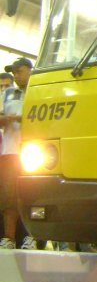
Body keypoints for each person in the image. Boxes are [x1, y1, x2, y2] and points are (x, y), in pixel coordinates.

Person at [0, 57, 36, 249]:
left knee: (31, 194)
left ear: (30, 70)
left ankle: (31, 236)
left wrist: (23, 118)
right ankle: (9, 238)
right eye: (14, 72)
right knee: (8, 197)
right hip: (9, 152)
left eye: (19, 71)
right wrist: (7, 119)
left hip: (34, 152)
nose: (16, 75)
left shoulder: (40, 92)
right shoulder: (8, 94)